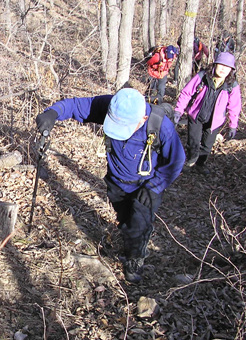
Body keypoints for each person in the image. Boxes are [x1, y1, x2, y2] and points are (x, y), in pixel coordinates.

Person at [35, 88, 185, 283]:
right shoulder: (111, 106)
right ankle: (130, 242)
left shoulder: (160, 126)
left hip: (147, 186)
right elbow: (76, 105)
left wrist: (155, 187)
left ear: (143, 118)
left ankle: (135, 259)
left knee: (138, 225)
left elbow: (176, 160)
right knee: (124, 219)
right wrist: (53, 113)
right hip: (117, 182)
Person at [172, 51, 242, 175]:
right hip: (196, 115)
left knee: (207, 145)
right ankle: (191, 161)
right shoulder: (203, 76)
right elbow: (186, 93)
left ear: (231, 70)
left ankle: (200, 164)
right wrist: (178, 110)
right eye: (221, 65)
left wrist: (233, 125)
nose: (223, 69)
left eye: (227, 67)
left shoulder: (232, 85)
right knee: (193, 141)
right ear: (215, 65)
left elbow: (234, 106)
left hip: (215, 120)